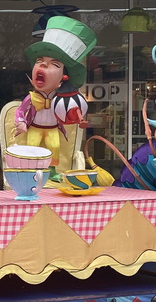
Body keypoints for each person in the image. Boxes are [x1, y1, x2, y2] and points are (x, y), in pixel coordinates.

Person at [13, 16, 96, 179]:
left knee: (54, 148)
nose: (43, 65)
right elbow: (20, 111)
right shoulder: (31, 98)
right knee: (32, 148)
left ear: (63, 79)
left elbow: (73, 111)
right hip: (35, 128)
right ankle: (31, 173)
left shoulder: (63, 99)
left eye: (55, 64)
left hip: (52, 129)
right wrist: (21, 122)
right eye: (39, 60)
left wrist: (78, 118)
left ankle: (51, 173)